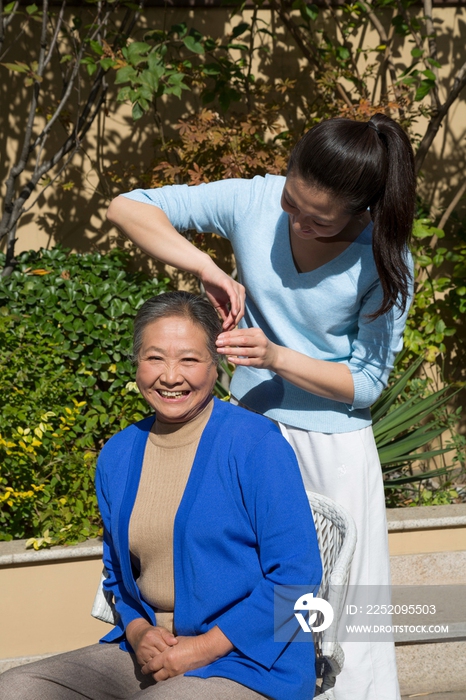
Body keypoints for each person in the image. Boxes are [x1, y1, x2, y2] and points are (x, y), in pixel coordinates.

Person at [105, 113, 417, 700]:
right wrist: (206, 267)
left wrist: (275, 356)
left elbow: (368, 382)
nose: (295, 220)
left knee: (327, 616)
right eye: (291, 200)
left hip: (332, 450)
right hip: (244, 434)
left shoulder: (385, 256)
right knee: (243, 593)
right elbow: (128, 206)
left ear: (359, 212)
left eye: (318, 219)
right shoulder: (253, 200)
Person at [0, 292, 322, 700]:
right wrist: (137, 631)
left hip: (251, 660)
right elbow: (117, 573)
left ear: (215, 364)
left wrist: (202, 649)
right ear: (137, 363)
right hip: (150, 653)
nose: (170, 376)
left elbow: (298, 577)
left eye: (189, 359)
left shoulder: (256, 444)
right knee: (16, 689)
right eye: (155, 358)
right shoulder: (117, 454)